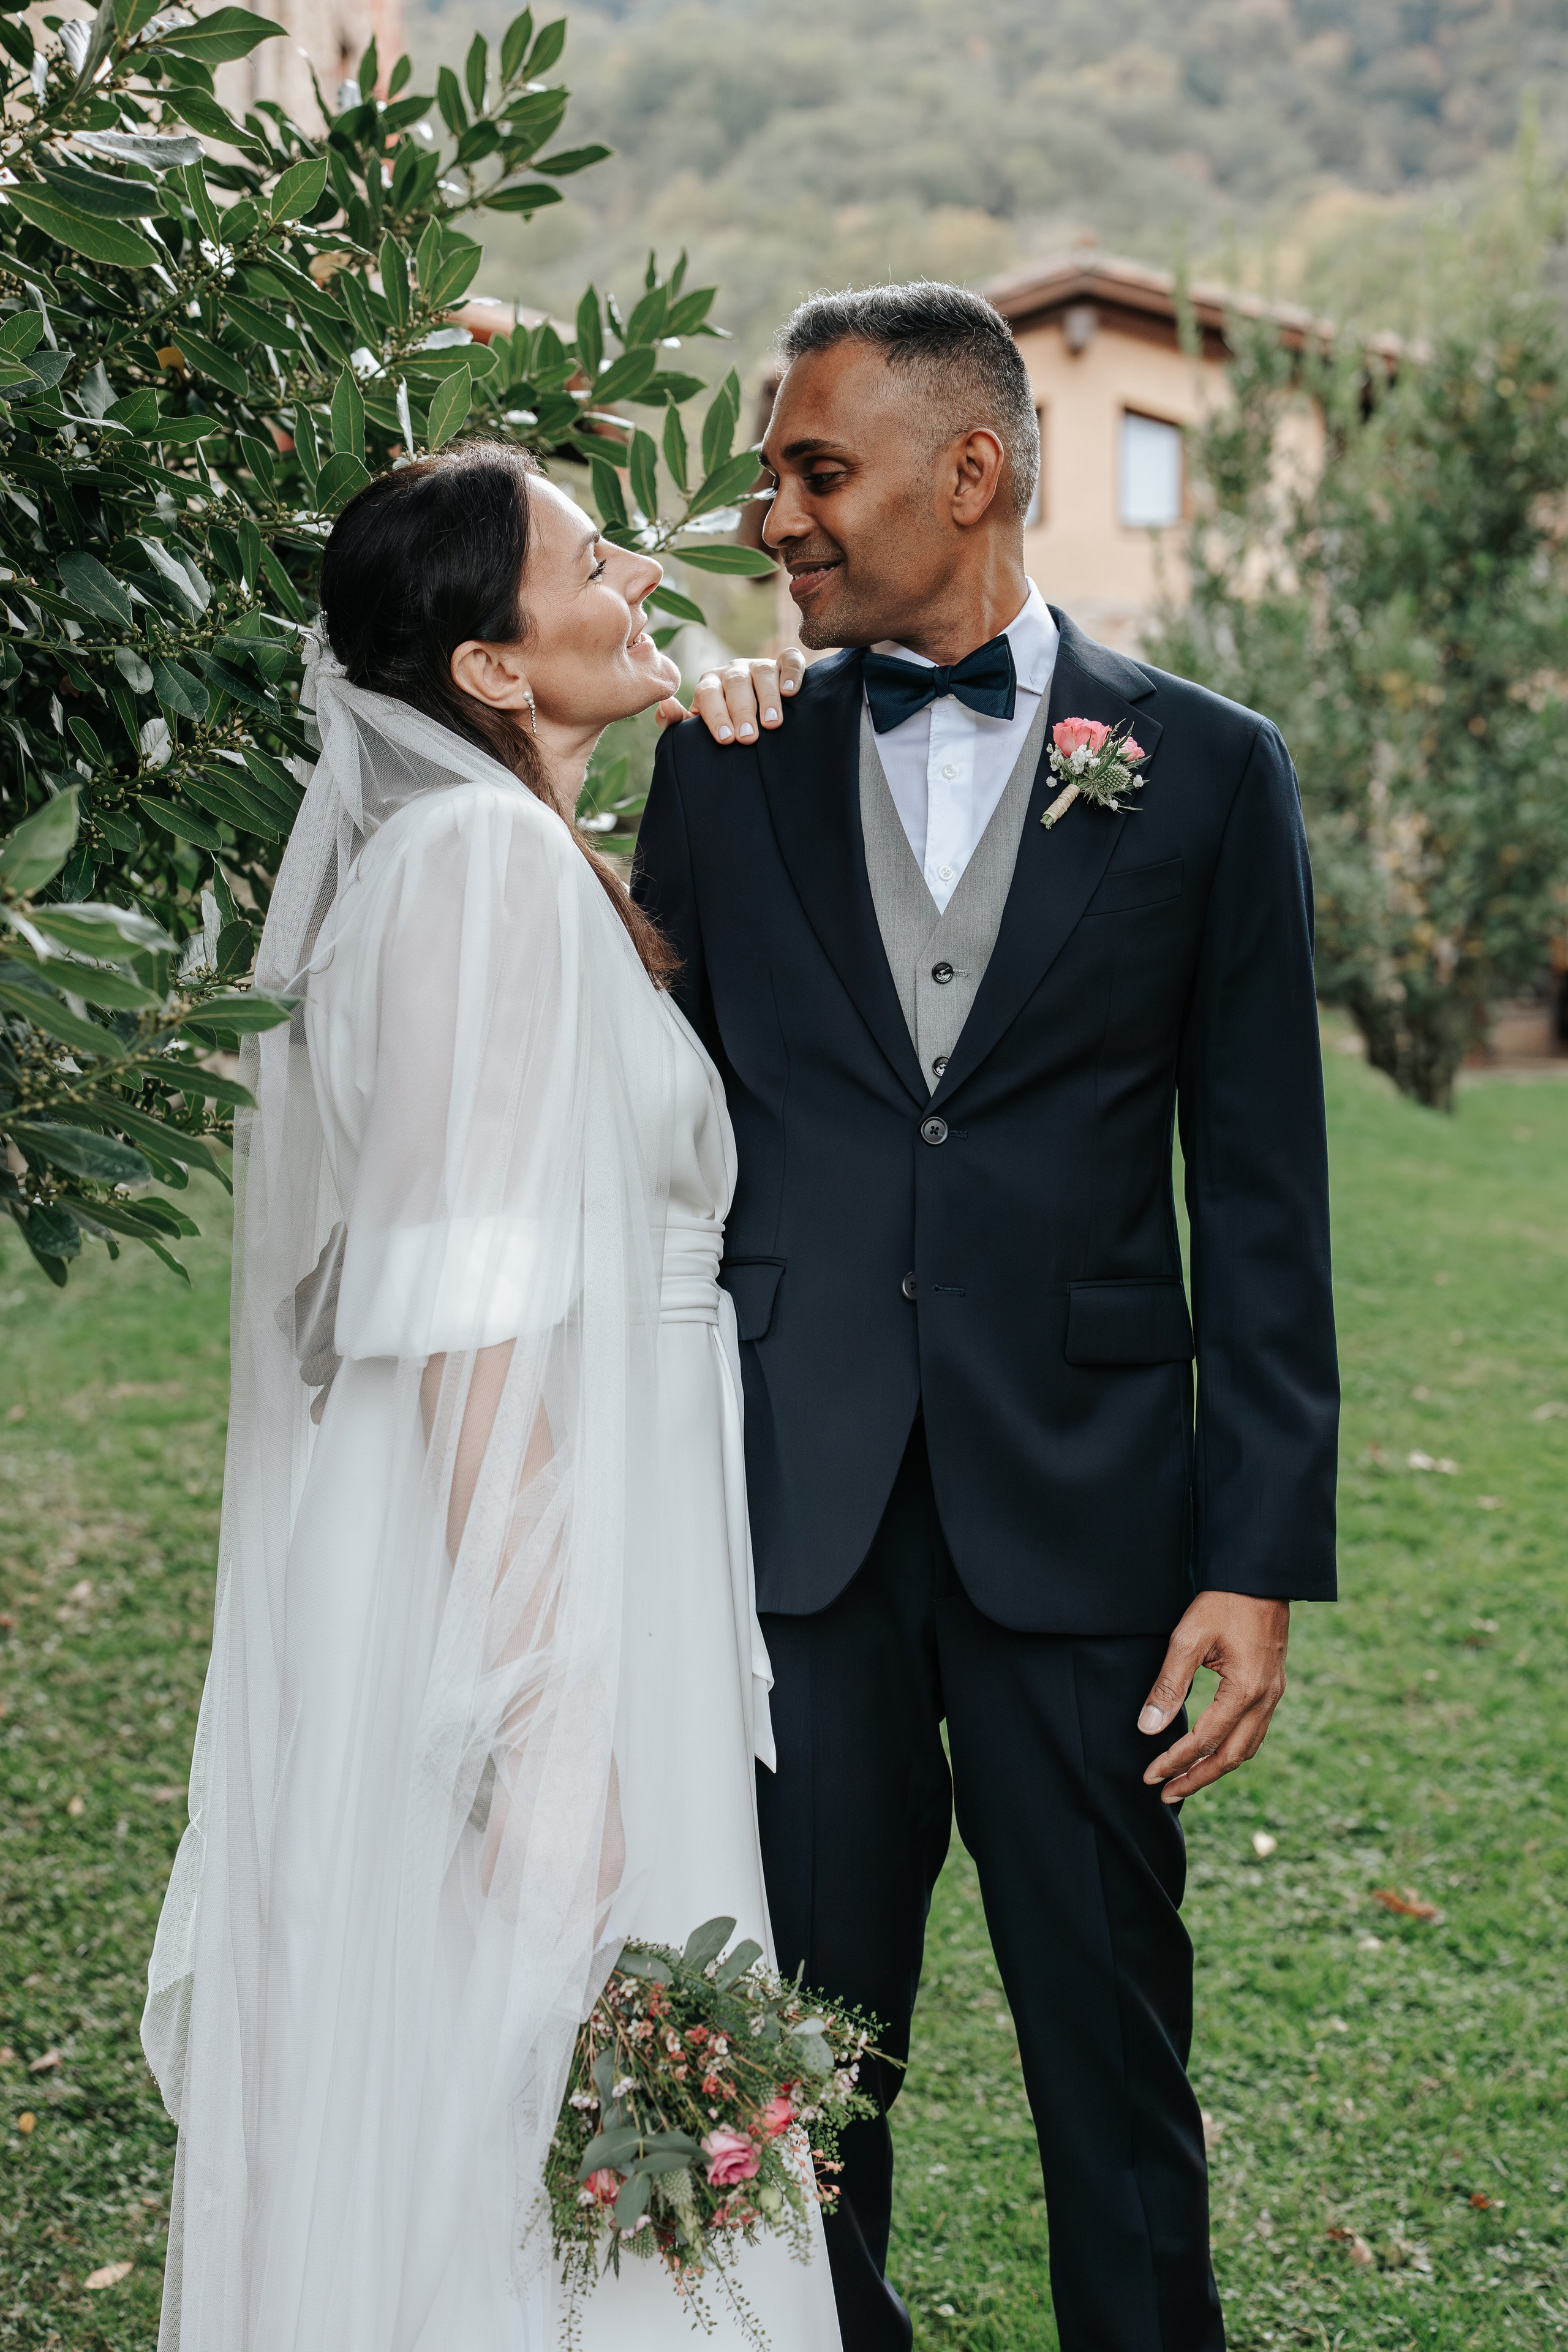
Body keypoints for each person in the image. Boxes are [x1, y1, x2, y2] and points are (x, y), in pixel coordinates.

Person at [633, 282, 1341, 2352]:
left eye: (815, 471)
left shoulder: (1210, 770)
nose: (774, 516)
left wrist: (1258, 1553)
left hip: (1093, 1524)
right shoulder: (728, 763)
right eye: (774, 474)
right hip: (796, 1519)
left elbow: (1269, 1191)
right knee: (796, 2079)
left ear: (973, 471)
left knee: (1112, 2066)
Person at [140, 443, 842, 2352]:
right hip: (521, 1552)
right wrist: (540, 1703)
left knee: (543, 2045)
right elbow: (452, 1318)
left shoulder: (520, 857)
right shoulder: (468, 870)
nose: (636, 581)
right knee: (500, 2033)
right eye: (592, 560)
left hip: (598, 1514)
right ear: (494, 669)